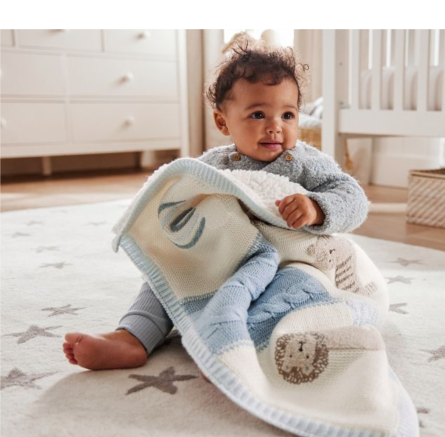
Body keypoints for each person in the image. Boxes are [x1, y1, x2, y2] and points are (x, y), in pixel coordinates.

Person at [62, 34, 370, 373]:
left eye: (287, 115)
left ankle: (236, 348)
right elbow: (179, 195)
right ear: (223, 122)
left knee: (294, 292)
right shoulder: (212, 166)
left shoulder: (306, 161)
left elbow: (352, 196)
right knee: (168, 275)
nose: (275, 127)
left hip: (282, 263)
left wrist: (316, 207)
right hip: (223, 257)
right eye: (258, 114)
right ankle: (133, 336)